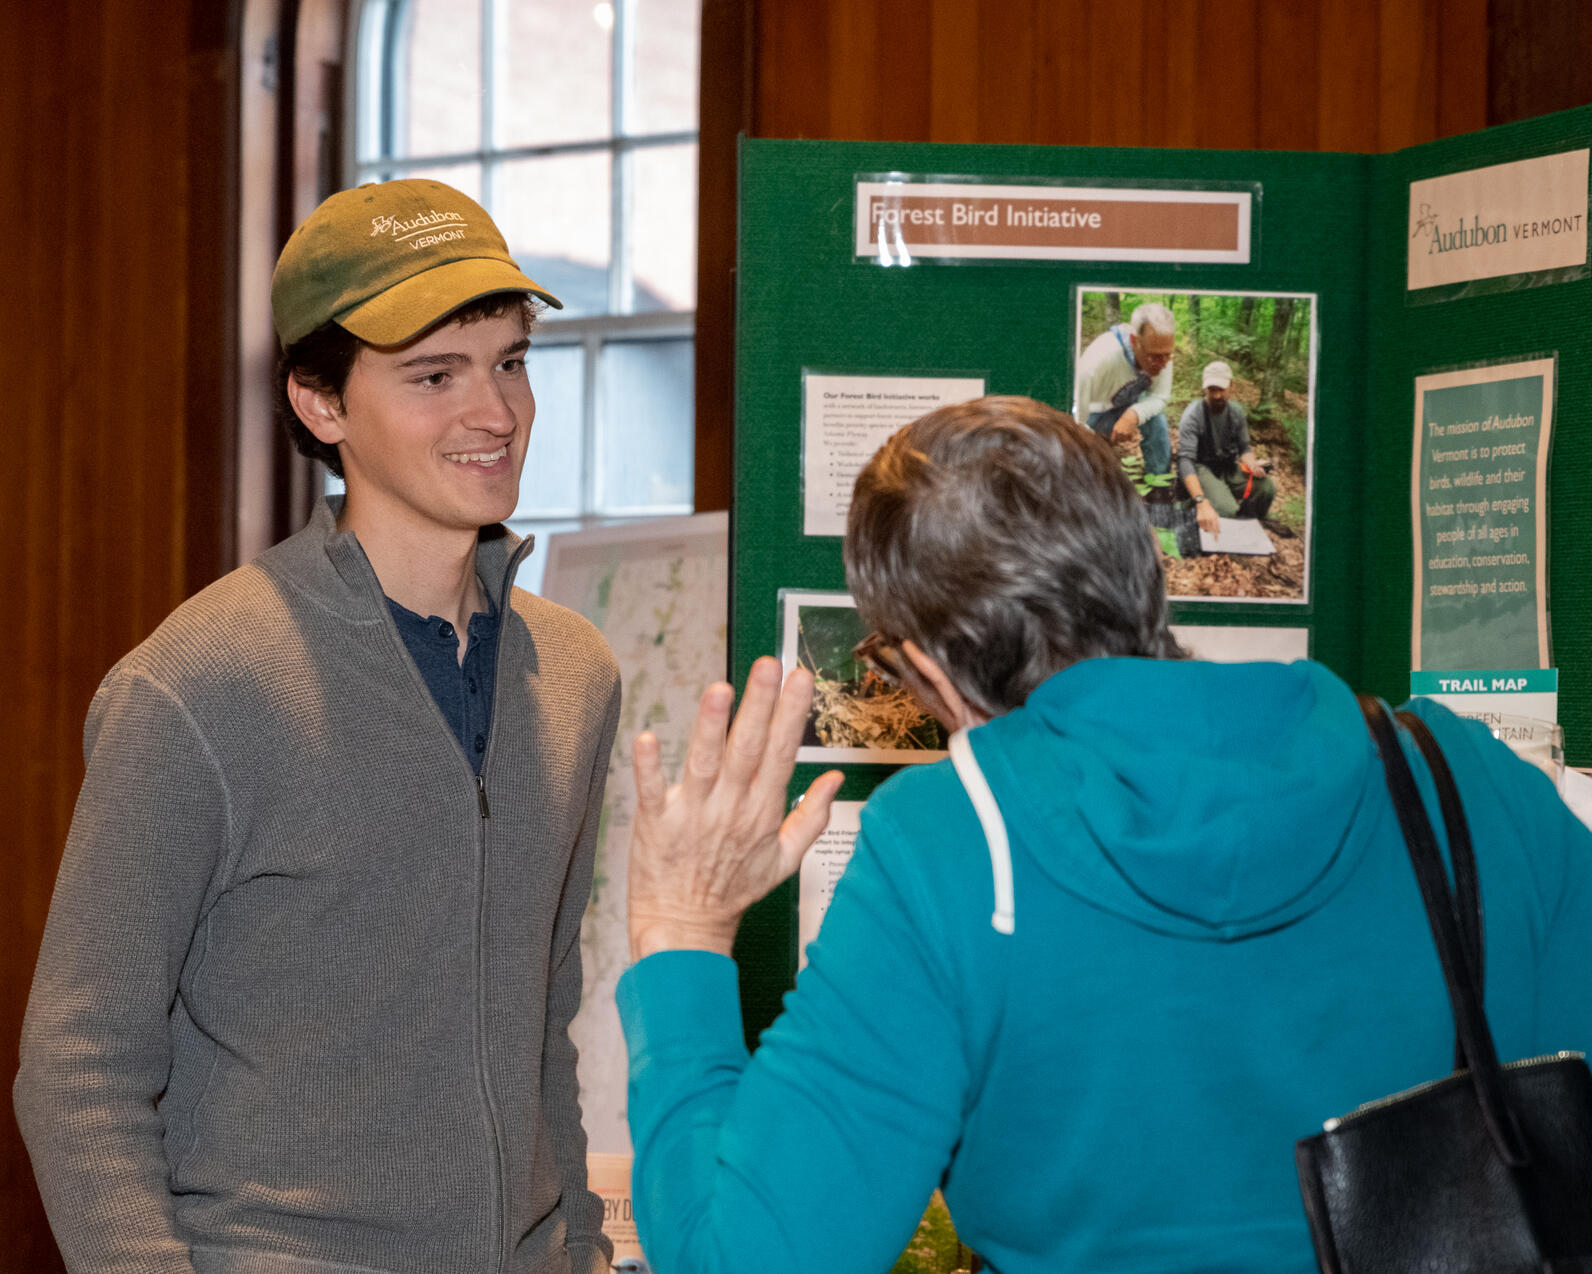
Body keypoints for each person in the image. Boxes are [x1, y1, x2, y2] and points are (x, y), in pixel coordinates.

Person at [615, 395, 1592, 1274]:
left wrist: (681, 933)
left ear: (921, 664)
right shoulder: (1460, 781)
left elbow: (742, 1253)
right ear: (1145, 570)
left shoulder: (951, 849)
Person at [15, 179, 622, 1274]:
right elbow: (77, 1062)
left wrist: (576, 1242)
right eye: (434, 374)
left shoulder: (572, 674)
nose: (493, 411)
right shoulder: (199, 684)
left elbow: (545, 1020)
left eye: (509, 361)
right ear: (321, 403)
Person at [1073, 300, 1176, 475]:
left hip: (1125, 407)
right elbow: (1073, 415)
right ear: (1134, 341)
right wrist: (1091, 444)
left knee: (1157, 420)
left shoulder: (1161, 353)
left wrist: (1133, 415)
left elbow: (1160, 396)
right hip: (1090, 416)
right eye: (1155, 357)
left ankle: (1160, 485)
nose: (1163, 364)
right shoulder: (1100, 359)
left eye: (1168, 355)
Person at [1178, 359, 1276, 540]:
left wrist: (1253, 465)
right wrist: (1200, 500)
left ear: (1232, 386)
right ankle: (1191, 507)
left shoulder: (1237, 412)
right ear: (1204, 389)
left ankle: (1249, 523)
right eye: (1211, 390)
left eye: (1221, 389)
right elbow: (1185, 461)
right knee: (1227, 510)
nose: (1216, 395)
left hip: (1227, 467)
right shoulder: (1193, 415)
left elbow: (1244, 448)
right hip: (1202, 468)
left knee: (1266, 488)